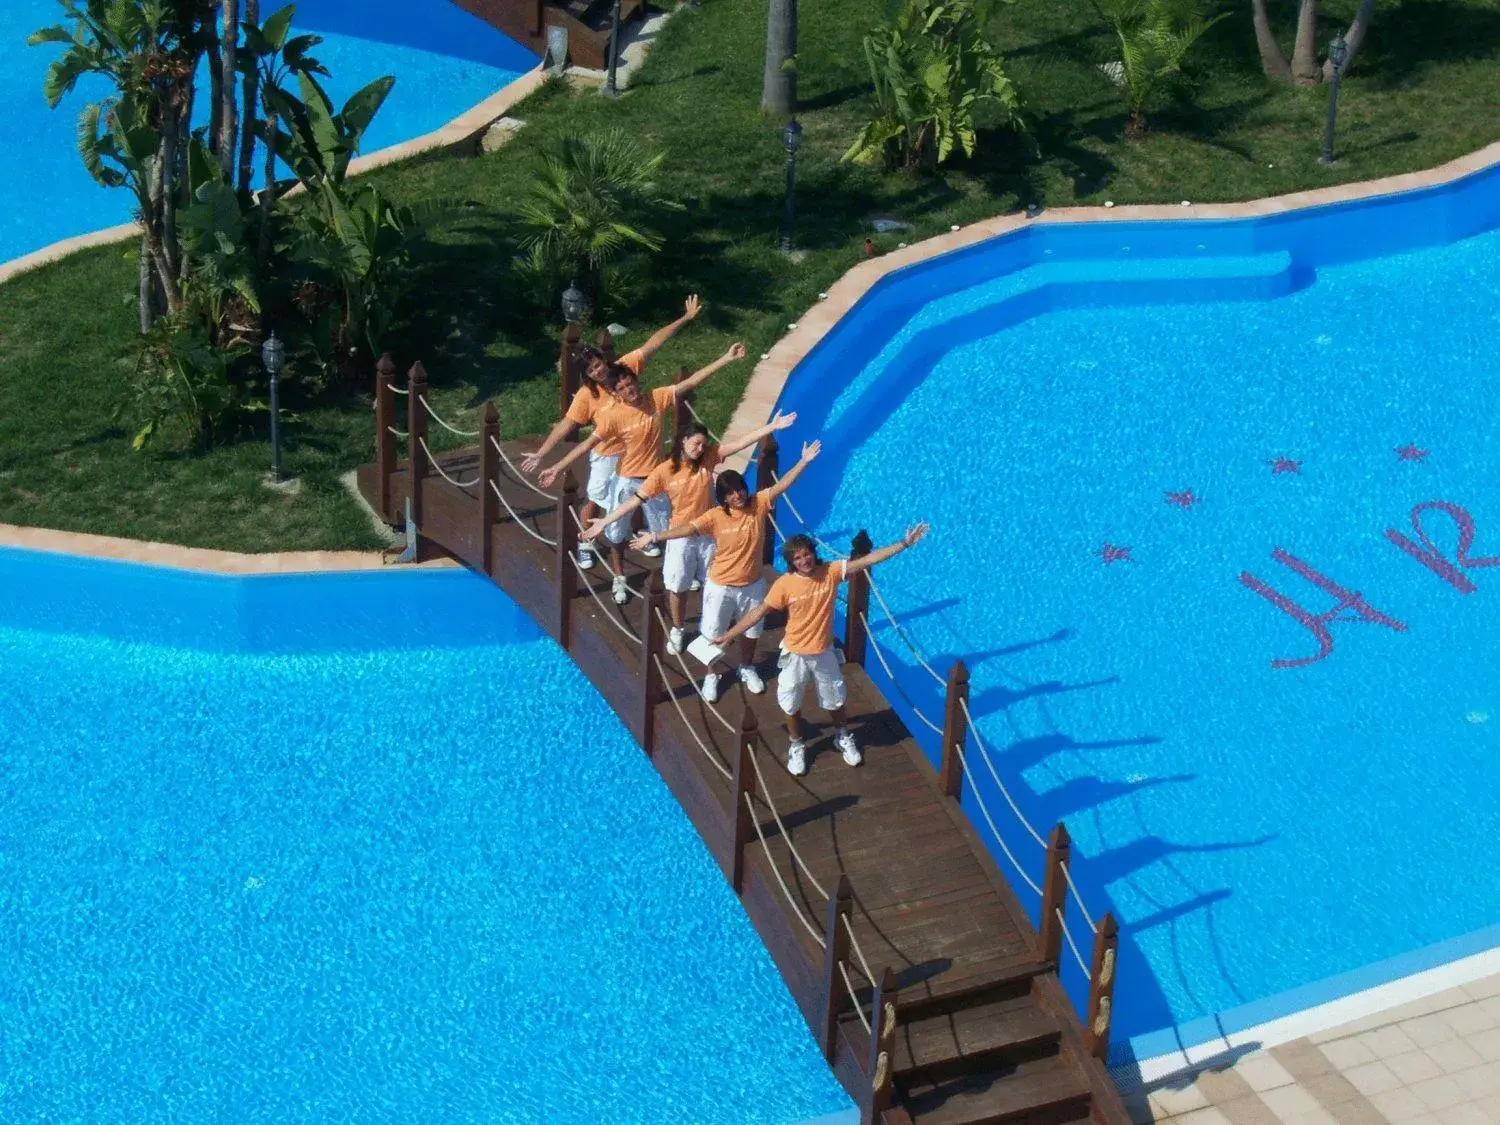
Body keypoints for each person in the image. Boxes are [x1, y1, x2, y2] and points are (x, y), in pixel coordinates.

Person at [712, 525, 930, 776]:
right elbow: (758, 612)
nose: (804, 560)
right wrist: (729, 634)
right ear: (791, 562)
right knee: (790, 702)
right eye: (797, 557)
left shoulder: (831, 572)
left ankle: (842, 736)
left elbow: (868, 559)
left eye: (806, 554)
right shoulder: (785, 585)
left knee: (835, 699)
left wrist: (904, 544)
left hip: (823, 651)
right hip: (794, 653)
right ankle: (797, 744)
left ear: (814, 553)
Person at [540, 343, 748, 604]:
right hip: (628, 481)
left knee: (668, 532)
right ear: (617, 394)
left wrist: (726, 358)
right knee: (615, 534)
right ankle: (619, 577)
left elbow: (692, 381)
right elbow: (587, 444)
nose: (630, 391)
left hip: (657, 481)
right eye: (623, 389)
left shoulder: (656, 398)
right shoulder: (613, 417)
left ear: (637, 381)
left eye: (631, 385)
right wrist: (556, 466)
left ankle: (679, 572)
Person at [581, 411, 798, 654]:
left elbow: (739, 443)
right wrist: (604, 522)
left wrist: (772, 426)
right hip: (681, 536)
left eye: (703, 444)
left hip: (710, 534)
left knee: (714, 584)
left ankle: (714, 626)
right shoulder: (664, 471)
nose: (699, 448)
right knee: (678, 585)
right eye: (696, 443)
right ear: (683, 440)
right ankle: (678, 627)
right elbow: (635, 500)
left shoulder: (708, 458)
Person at [521, 295, 703, 569]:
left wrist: (685, 319)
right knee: (595, 499)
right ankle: (586, 542)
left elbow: (654, 343)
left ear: (604, 360)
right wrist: (542, 454)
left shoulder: (625, 368)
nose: (598, 370)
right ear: (586, 375)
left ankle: (641, 535)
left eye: (599, 364)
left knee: (642, 496)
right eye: (591, 369)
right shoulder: (586, 396)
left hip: (638, 450)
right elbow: (567, 425)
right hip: (607, 454)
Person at [635, 440, 822, 703]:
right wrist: (656, 535)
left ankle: (746, 667)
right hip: (721, 586)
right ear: (723, 497)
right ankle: (712, 674)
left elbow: (783, 485)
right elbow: (687, 529)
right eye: (731, 493)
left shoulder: (758, 503)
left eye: (740, 489)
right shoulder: (714, 517)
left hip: (753, 585)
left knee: (752, 632)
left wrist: (803, 461)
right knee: (713, 633)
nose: (738, 495)